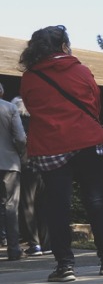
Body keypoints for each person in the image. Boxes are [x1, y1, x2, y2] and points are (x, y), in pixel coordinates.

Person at [19, 25, 103, 282]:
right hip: (86, 141)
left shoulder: (29, 78)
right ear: (64, 46)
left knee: (57, 206)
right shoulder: (80, 70)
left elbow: (32, 107)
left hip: (51, 145)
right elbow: (95, 102)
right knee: (95, 202)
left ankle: (65, 266)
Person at [12, 96, 51, 256]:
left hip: (26, 163)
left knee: (27, 204)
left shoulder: (20, 122)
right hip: (43, 162)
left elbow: (20, 140)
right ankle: (47, 243)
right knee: (43, 204)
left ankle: (35, 244)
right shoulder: (40, 120)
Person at [0, 82, 27, 261]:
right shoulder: (10, 108)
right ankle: (14, 249)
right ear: (1, 91)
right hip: (9, 162)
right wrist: (21, 154)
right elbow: (20, 137)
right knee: (10, 206)